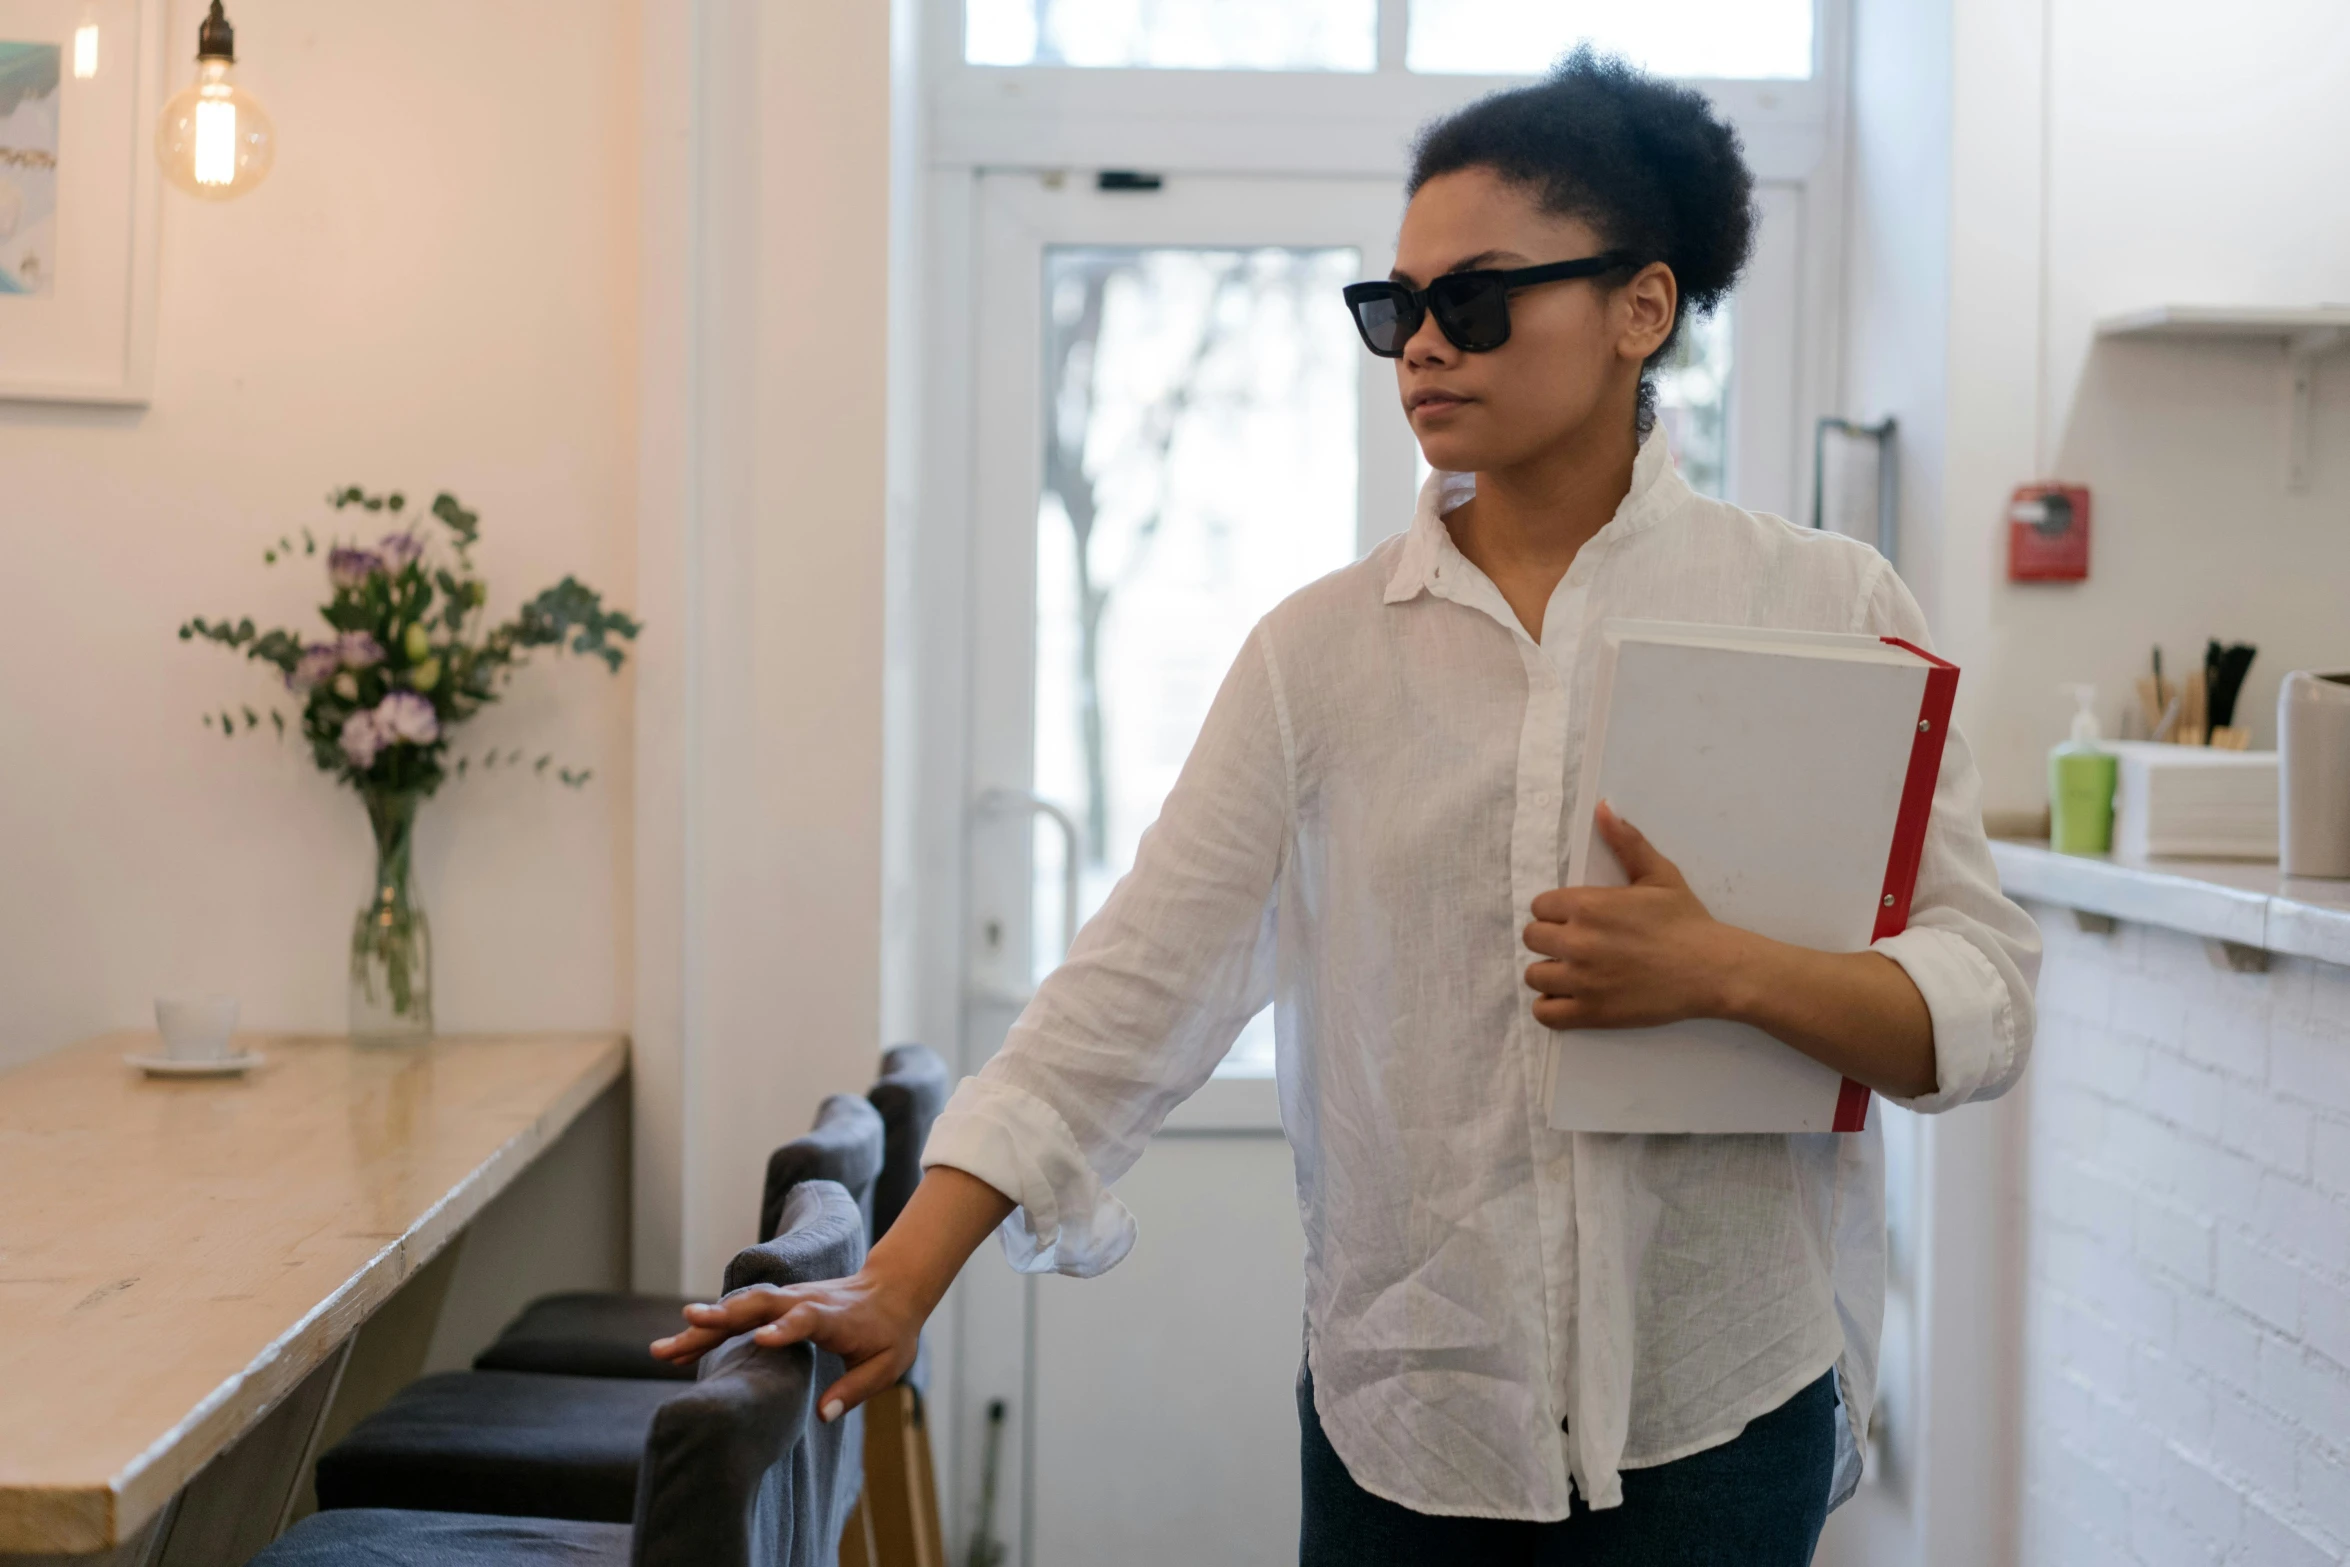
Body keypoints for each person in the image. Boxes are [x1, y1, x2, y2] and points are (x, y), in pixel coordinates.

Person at [655, 48, 2040, 1566]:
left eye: (1476, 301)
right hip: (1410, 1424)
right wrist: (903, 1277)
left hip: (1718, 1415)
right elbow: (1130, 991)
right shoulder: (1319, 656)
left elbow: (1977, 1004)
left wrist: (1716, 970)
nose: (1420, 349)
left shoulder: (1823, 606)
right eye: (1394, 310)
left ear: (1641, 308)